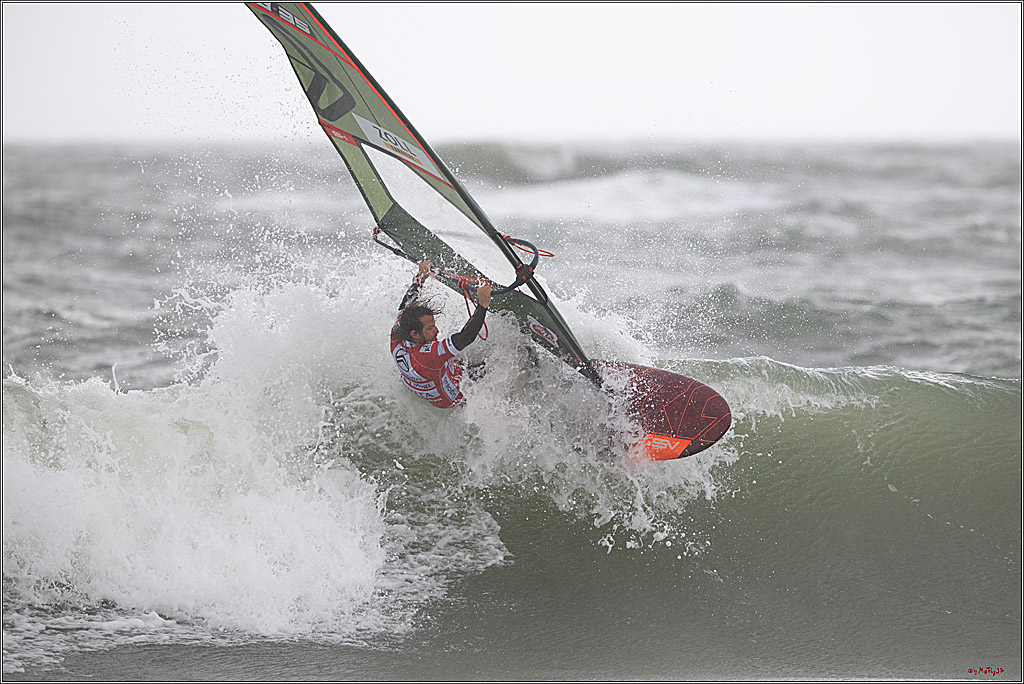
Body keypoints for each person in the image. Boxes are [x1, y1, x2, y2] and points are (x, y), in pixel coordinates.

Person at [390, 260, 492, 409]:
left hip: (431, 378)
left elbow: (404, 306)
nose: (437, 331)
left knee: (458, 356)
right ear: (415, 334)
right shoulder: (426, 358)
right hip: (456, 396)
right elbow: (465, 337)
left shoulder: (397, 332)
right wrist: (482, 305)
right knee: (503, 363)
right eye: (430, 328)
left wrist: (420, 279)